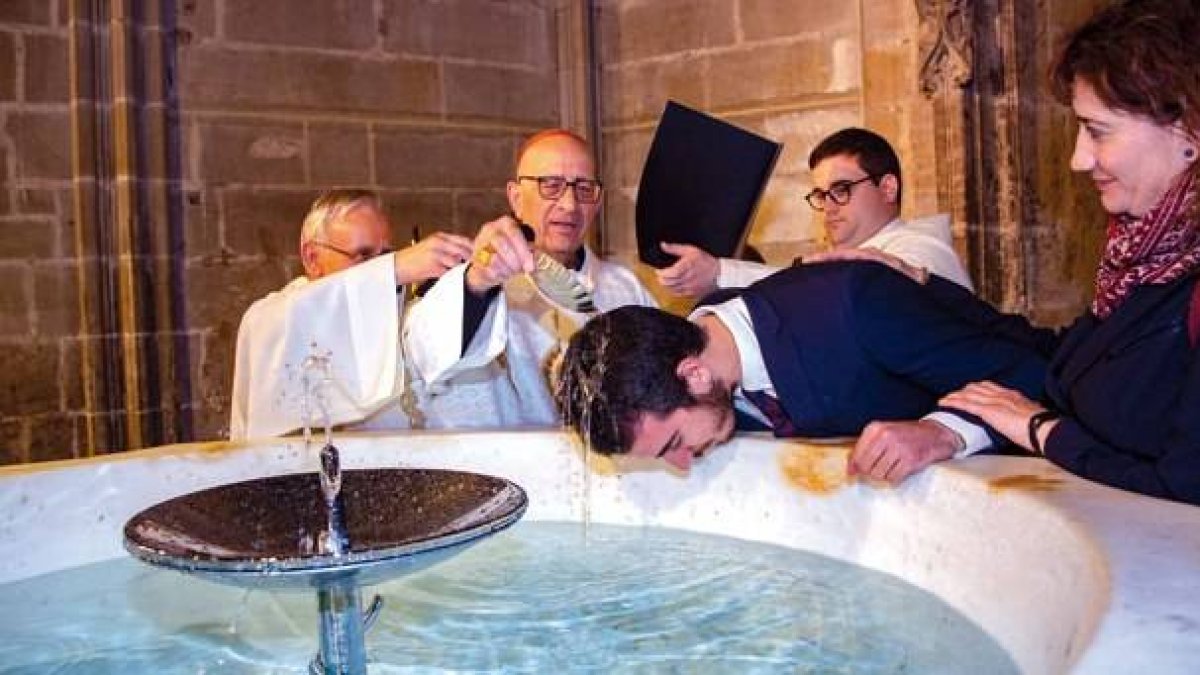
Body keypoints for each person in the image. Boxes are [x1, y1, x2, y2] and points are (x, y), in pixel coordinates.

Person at [844, 0, 1200, 506]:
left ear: (1188, 132)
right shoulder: (1144, 256)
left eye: (1097, 131)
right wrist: (918, 283)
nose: (1078, 159)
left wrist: (1038, 429)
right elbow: (1061, 360)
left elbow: (1183, 486)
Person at [554, 261, 1047, 473]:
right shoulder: (705, 359)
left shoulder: (852, 307)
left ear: (694, 374)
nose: (682, 465)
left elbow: (1030, 371)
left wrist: (944, 433)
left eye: (674, 445)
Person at [403, 129, 657, 427]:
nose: (570, 205)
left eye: (584, 188)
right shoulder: (473, 282)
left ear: (598, 202)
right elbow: (423, 352)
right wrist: (477, 283)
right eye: (551, 185)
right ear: (516, 197)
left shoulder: (625, 288)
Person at [229, 189, 474, 439]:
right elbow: (297, 314)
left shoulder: (393, 317)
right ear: (312, 257)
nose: (379, 271)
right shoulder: (272, 317)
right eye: (364, 256)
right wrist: (395, 267)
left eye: (386, 255)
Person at [654, 127, 973, 298]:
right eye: (821, 194)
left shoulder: (924, 249)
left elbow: (844, 288)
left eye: (841, 189)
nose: (829, 207)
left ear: (888, 187)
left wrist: (720, 272)